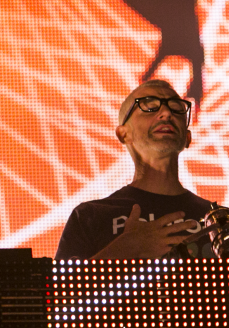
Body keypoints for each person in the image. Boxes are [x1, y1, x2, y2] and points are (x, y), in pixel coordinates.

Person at [55, 79, 214, 259]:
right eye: (150, 107)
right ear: (123, 134)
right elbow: (57, 279)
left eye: (176, 108)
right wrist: (122, 251)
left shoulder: (217, 219)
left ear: (187, 137)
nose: (166, 113)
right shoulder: (90, 216)